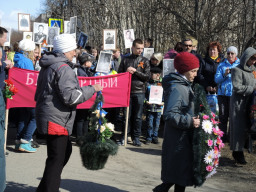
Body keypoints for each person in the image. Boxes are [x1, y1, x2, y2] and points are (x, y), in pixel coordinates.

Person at [35, 34, 102, 192]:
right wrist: (92, 89)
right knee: (56, 159)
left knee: (62, 154)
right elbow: (71, 97)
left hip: (52, 115)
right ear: (65, 50)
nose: (75, 53)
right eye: (73, 50)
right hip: (56, 118)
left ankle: (44, 188)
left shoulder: (50, 65)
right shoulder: (63, 68)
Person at [153, 52, 200, 192]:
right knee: (178, 175)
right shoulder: (177, 88)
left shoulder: (183, 85)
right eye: (193, 71)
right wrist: (190, 121)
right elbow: (169, 114)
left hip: (182, 138)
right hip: (178, 139)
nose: (195, 74)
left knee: (179, 176)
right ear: (184, 70)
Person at [118, 38, 150, 146]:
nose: (140, 50)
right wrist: (126, 71)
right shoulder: (125, 60)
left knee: (137, 116)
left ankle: (136, 137)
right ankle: (124, 136)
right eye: (138, 48)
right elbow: (119, 74)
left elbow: (147, 77)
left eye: (142, 49)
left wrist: (136, 72)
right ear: (132, 47)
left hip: (140, 91)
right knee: (126, 115)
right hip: (127, 91)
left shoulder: (145, 61)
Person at [230, 47, 256, 164]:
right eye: (252, 58)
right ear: (246, 57)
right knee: (238, 128)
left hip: (250, 103)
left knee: (247, 128)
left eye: (255, 59)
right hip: (239, 103)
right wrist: (252, 89)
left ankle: (244, 149)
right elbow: (237, 87)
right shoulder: (236, 70)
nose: (254, 61)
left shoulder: (253, 70)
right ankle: (237, 152)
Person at [14, 39, 38, 152]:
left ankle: (19, 140)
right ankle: (26, 140)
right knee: (36, 116)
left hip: (19, 93)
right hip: (28, 93)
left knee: (23, 117)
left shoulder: (17, 57)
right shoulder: (27, 61)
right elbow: (30, 79)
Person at [215, 46, 240, 142]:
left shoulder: (240, 65)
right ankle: (222, 137)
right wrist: (224, 74)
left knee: (233, 117)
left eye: (232, 53)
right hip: (222, 94)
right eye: (228, 53)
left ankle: (231, 137)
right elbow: (216, 79)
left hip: (234, 94)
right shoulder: (221, 65)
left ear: (236, 55)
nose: (230, 55)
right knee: (222, 116)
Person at [145, 67, 163, 145]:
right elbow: (144, 94)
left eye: (152, 74)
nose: (151, 75)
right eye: (151, 73)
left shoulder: (163, 83)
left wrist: (163, 102)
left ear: (158, 75)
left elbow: (166, 94)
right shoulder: (148, 83)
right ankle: (148, 137)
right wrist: (146, 101)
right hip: (150, 107)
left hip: (158, 108)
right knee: (149, 123)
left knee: (157, 124)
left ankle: (155, 137)